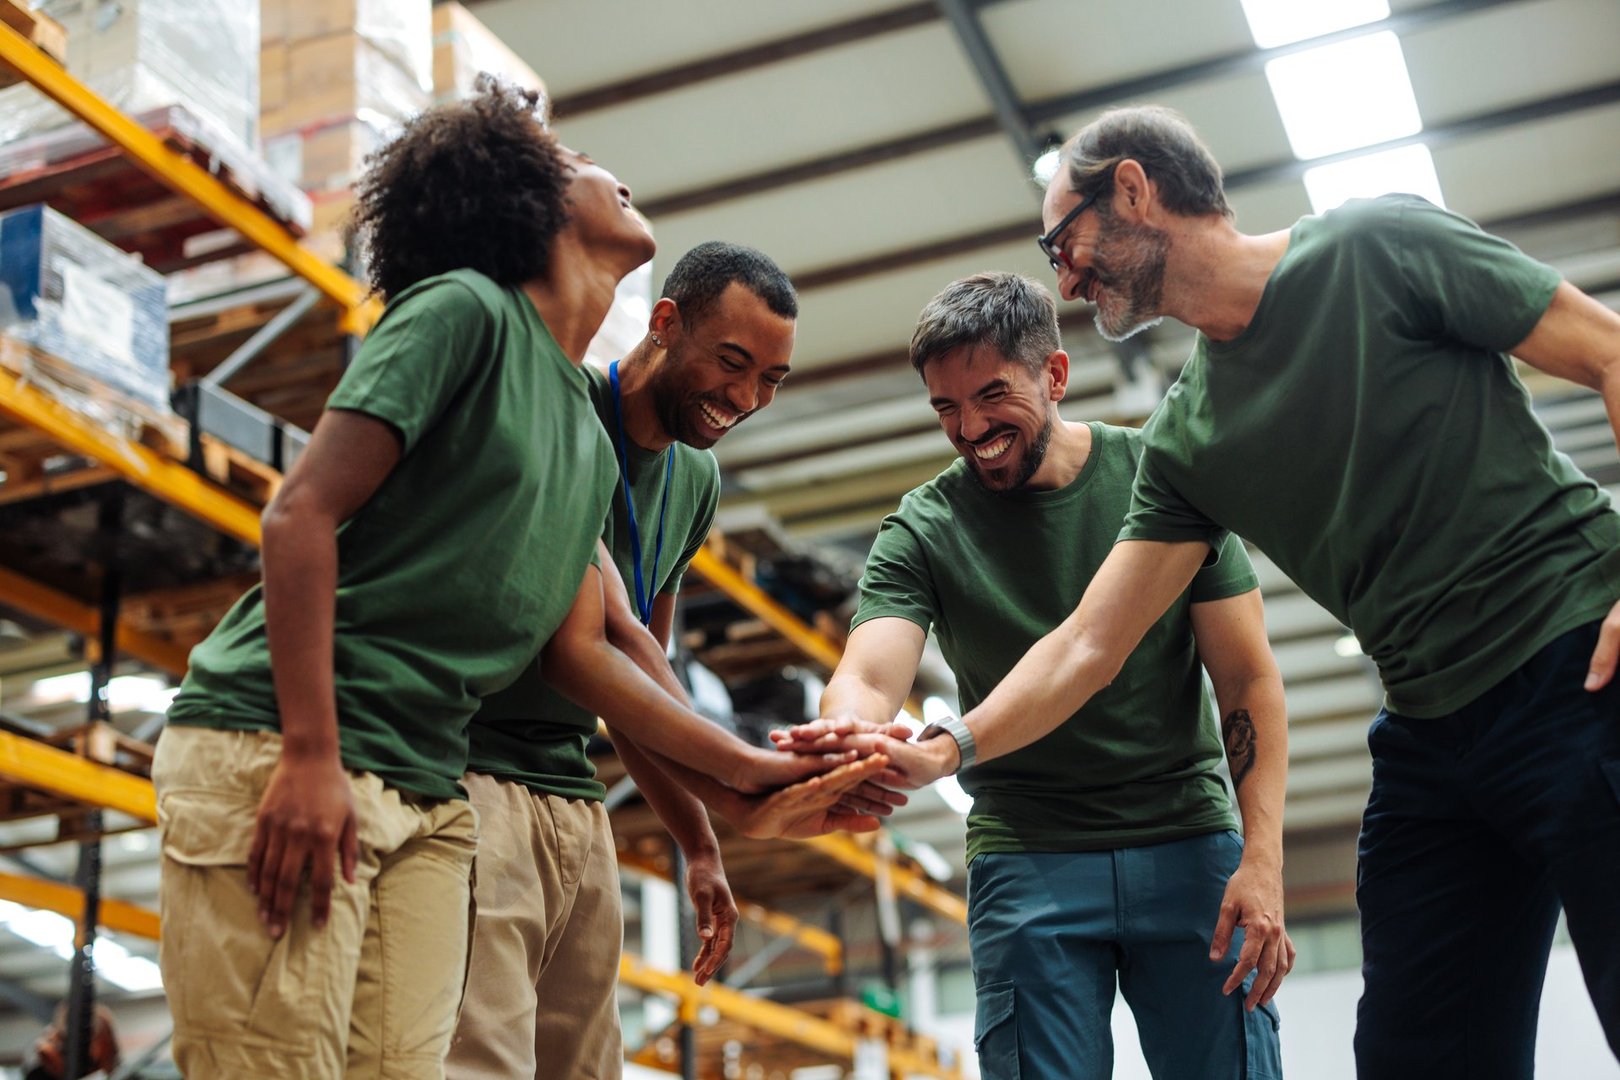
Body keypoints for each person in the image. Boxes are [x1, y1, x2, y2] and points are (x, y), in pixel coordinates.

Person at [800, 105, 1620, 1078]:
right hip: (1432, 732)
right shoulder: (1189, 440)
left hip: (1578, 662)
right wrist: (942, 748)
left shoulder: (1373, 246)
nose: (1063, 275)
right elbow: (1086, 646)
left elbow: (1608, 349)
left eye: (1065, 240)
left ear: (1136, 192)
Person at [152, 81, 877, 1080]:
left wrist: (748, 781)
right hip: (286, 743)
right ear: (522, 203)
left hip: (422, 786)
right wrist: (310, 754)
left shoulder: (580, 427)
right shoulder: (465, 314)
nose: (605, 169)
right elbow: (296, 515)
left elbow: (606, 643)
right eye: (566, 161)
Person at [776, 272, 1290, 1079]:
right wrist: (849, 731)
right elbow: (870, 676)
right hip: (1027, 851)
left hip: (1188, 843)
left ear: (1054, 375)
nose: (970, 428)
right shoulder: (925, 527)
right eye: (946, 409)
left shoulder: (1160, 479)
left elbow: (1247, 681)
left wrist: (1261, 859)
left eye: (990, 397)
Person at [447, 242, 897, 1079]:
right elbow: (587, 648)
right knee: (482, 1058)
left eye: (772, 379)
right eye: (732, 363)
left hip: (572, 793)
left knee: (585, 1063)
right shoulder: (563, 408)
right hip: (474, 773)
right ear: (664, 324)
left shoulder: (695, 480)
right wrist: (744, 779)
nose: (747, 397)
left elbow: (647, 671)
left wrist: (699, 843)